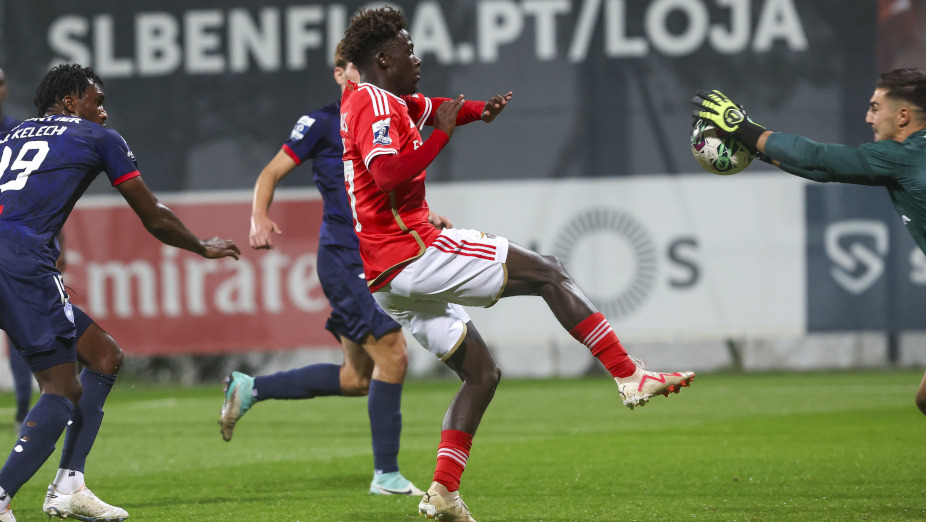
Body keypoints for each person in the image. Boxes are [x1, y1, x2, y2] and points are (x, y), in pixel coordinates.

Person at [340, 7, 695, 521]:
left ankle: (443, 491)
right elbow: (392, 174)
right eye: (409, 51)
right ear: (383, 58)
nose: (417, 58)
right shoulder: (371, 103)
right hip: (412, 251)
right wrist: (443, 135)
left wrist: (478, 111)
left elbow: (435, 108)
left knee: (481, 374)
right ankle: (627, 374)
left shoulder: (390, 100)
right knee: (549, 271)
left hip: (389, 280)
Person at [0, 64, 240, 522]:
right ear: (71, 102)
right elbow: (152, 214)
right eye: (98, 100)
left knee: (104, 356)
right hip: (20, 259)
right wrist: (200, 246)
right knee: (62, 390)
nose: (104, 113)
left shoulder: (8, 137)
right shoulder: (97, 138)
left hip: (11, 257)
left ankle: (69, 484)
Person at [219, 43, 447, 496]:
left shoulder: (382, 113)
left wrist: (427, 215)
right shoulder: (322, 122)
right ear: (340, 74)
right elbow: (269, 173)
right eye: (349, 69)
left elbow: (384, 184)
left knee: (357, 377)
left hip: (373, 252)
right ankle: (386, 475)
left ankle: (249, 388)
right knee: (394, 353)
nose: (356, 76)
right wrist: (259, 217)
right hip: (345, 257)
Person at [692, 68, 926, 416]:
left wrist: (740, 127)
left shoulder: (902, 158)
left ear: (903, 115)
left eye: (876, 108)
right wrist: (756, 148)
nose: (868, 117)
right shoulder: (907, 156)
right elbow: (822, 169)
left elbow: (818, 158)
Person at [0, 66, 35, 435]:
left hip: (12, 242)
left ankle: (25, 408)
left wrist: (59, 242)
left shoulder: (18, 133)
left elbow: (40, 194)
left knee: (21, 327)